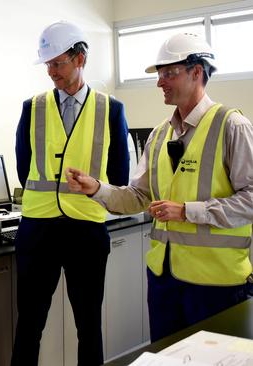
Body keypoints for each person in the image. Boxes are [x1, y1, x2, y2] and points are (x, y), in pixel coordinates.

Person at [66, 32, 253, 342]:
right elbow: (138, 197)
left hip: (216, 285)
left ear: (197, 73)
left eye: (169, 73)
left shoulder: (232, 126)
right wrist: (96, 188)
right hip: (164, 282)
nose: (160, 82)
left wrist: (188, 211)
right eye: (160, 74)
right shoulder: (159, 135)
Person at [12, 21, 130, 365]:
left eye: (57, 63)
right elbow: (24, 168)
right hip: (37, 230)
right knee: (29, 325)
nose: (51, 72)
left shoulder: (111, 110)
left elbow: (119, 175)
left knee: (89, 325)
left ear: (80, 59)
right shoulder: (31, 108)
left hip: (86, 231)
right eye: (47, 64)